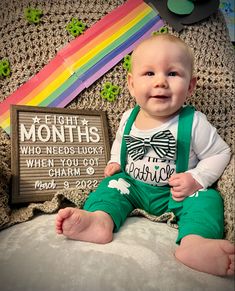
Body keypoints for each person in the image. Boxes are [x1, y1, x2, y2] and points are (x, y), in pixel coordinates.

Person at [55, 34, 235, 276]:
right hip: (133, 188)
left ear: (190, 86)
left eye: (172, 73)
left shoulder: (194, 122)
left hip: (176, 194)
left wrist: (196, 178)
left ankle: (195, 243)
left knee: (207, 199)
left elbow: (220, 153)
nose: (161, 82)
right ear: (131, 84)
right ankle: (99, 220)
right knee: (110, 186)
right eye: (149, 74)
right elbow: (121, 143)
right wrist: (116, 161)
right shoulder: (129, 117)